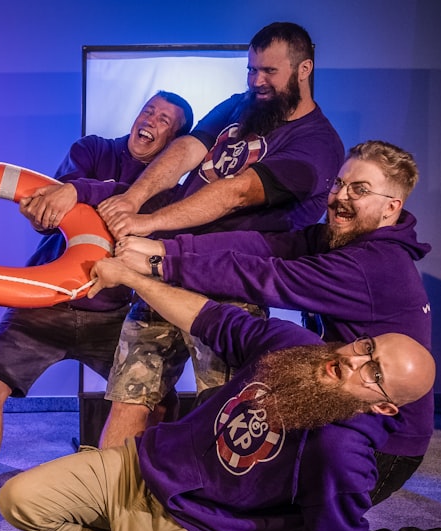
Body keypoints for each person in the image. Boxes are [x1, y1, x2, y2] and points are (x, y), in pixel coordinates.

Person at [0, 257, 435, 531]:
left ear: (383, 405)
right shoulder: (295, 347)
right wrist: (130, 275)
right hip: (140, 465)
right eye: (366, 348)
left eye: (373, 372)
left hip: (196, 524)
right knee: (18, 501)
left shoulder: (344, 453)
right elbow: (208, 318)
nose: (355, 361)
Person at [112, 140, 441, 531]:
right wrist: (165, 246)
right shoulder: (346, 239)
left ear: (392, 208)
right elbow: (261, 245)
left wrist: (160, 263)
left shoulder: (372, 266)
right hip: (341, 405)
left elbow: (265, 278)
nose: (341, 196)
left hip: (385, 436)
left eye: (361, 189)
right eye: (341, 183)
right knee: (270, 515)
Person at [0, 91, 194, 531]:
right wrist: (74, 193)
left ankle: (129, 509)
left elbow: (134, 212)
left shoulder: (171, 187)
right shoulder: (92, 149)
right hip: (44, 303)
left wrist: (85, 190)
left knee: (159, 403)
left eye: (165, 119)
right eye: (148, 110)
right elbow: (58, 209)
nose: (150, 120)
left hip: (113, 312)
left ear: (176, 141)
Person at [95, 22, 344, 448]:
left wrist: (148, 223)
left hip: (228, 288)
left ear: (304, 69)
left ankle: (209, 509)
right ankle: (107, 504)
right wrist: (134, 200)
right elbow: (189, 148)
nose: (256, 82)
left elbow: (237, 191)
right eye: (251, 70)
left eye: (269, 71)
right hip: (163, 269)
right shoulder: (240, 105)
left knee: (225, 406)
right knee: (130, 397)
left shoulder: (318, 144)